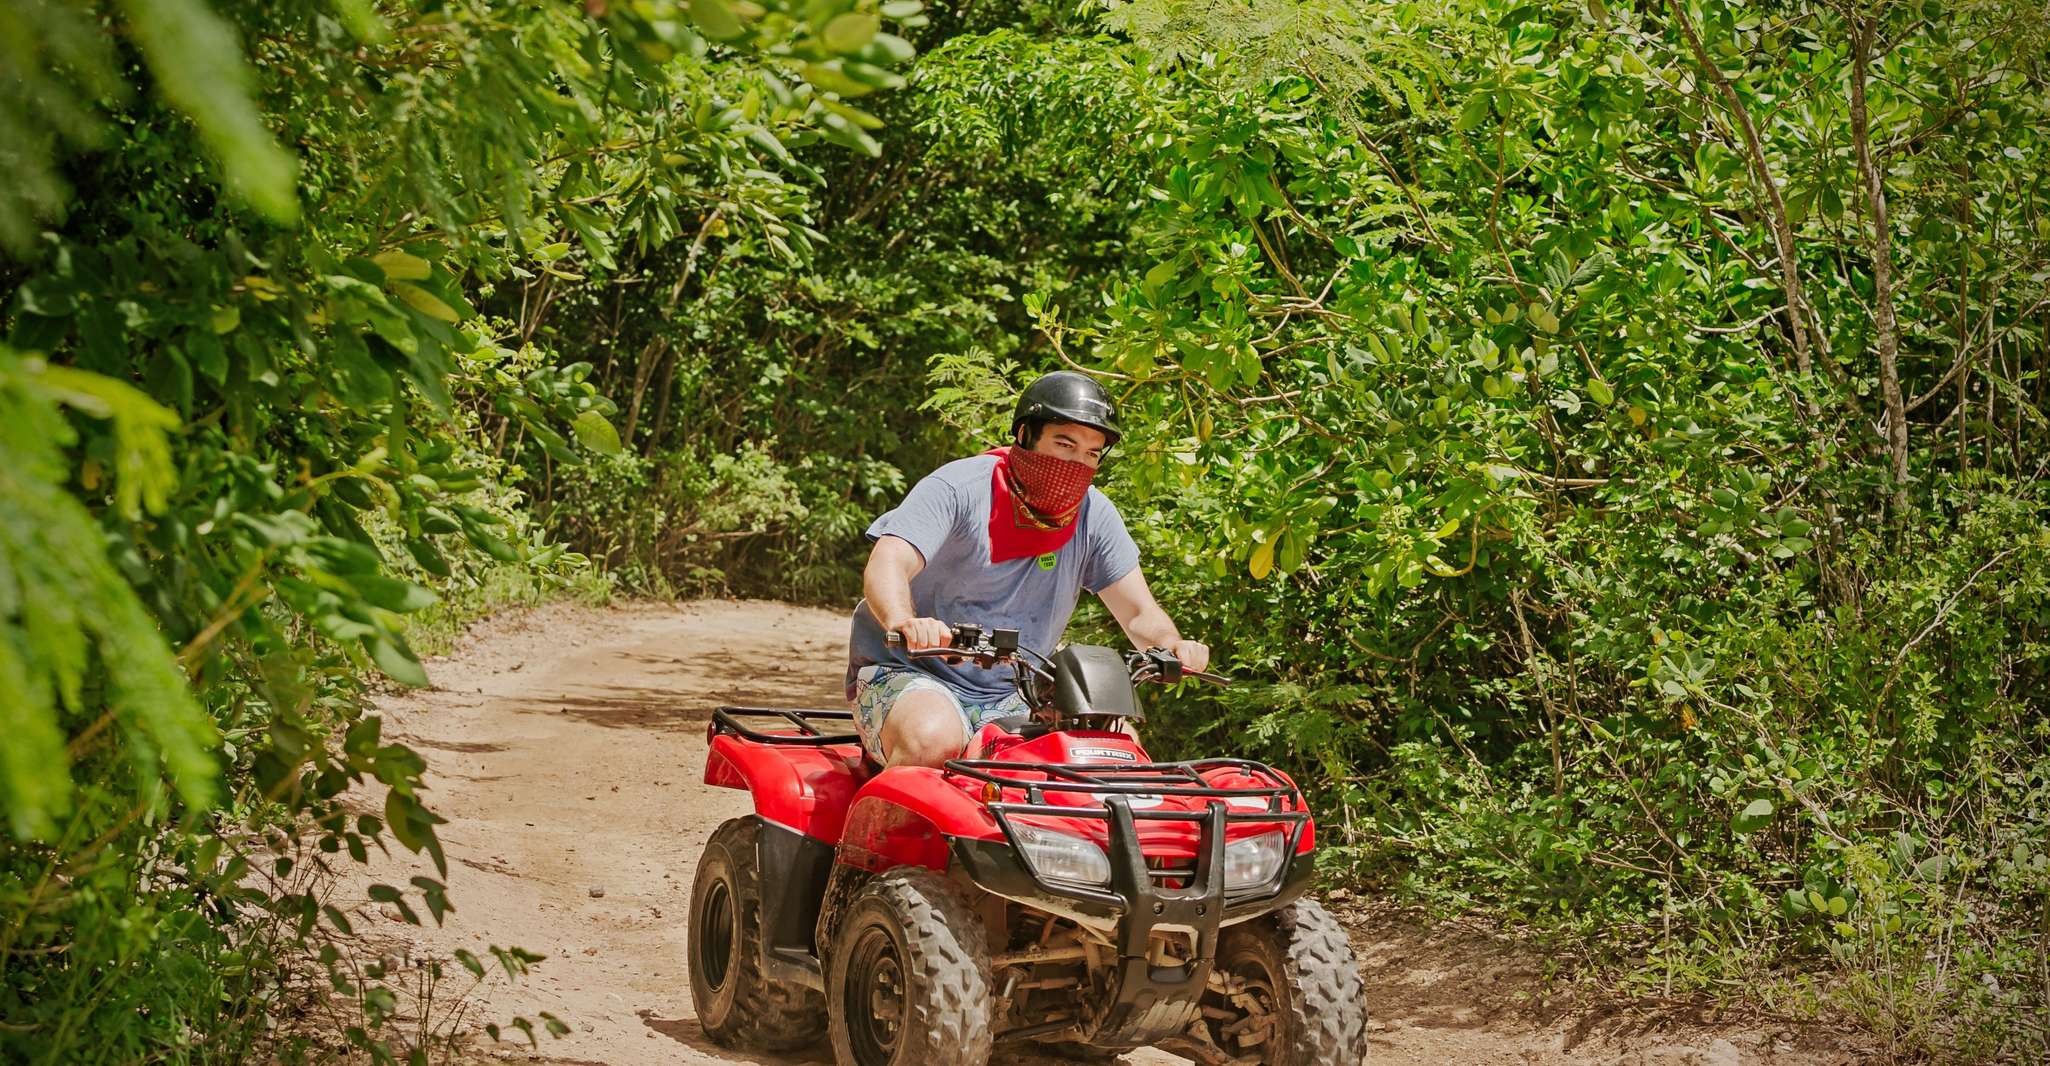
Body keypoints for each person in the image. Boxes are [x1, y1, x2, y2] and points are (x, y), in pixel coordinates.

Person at [845, 370, 1209, 769]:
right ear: (1024, 437)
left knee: (1113, 751)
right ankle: (880, 830)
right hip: (912, 672)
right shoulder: (958, 488)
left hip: (1020, 689)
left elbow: (1138, 612)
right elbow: (889, 561)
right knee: (932, 740)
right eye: (1064, 444)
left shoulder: (1093, 515)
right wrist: (904, 621)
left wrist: (1171, 645)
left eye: (1091, 453)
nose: (1076, 464)